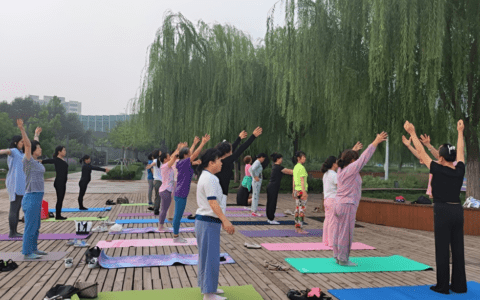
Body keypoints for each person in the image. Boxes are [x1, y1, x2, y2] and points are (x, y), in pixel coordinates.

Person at [404, 120, 467, 294]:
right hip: (457, 210)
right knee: (458, 248)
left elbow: (422, 153)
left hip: (442, 211)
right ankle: (459, 286)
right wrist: (460, 132)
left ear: (440, 157)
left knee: (442, 249)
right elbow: (460, 151)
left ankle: (442, 286)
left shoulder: (437, 169)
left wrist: (413, 133)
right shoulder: (459, 169)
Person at [333, 132, 387, 266]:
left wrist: (353, 150)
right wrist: (375, 142)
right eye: (354, 159)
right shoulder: (351, 169)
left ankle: (338, 257)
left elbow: (345, 159)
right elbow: (364, 158)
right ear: (352, 161)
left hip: (339, 204)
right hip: (347, 205)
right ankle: (343, 260)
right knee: (346, 233)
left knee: (339, 232)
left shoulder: (341, 169)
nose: (357, 162)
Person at [195, 148, 235, 300]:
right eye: (219, 160)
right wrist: (225, 220)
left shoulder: (207, 176)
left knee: (206, 256)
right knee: (210, 257)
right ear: (211, 163)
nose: (221, 163)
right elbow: (212, 202)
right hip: (207, 221)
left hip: (206, 221)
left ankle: (207, 288)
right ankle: (208, 294)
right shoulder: (210, 178)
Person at [0, 127, 41, 238]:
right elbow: (6, 151)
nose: (23, 143)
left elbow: (32, 145)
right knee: (14, 207)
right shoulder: (13, 151)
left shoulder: (21, 153)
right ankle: (12, 232)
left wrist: (36, 134)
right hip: (15, 183)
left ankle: (14, 231)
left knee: (18, 207)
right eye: (21, 142)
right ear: (15, 142)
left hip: (21, 183)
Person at [17, 119, 47, 259]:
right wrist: (22, 129)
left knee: (36, 225)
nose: (40, 149)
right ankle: (27, 252)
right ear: (33, 151)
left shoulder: (35, 161)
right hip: (31, 197)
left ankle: (34, 248)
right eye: (39, 148)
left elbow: (33, 144)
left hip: (38, 196)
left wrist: (36, 135)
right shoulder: (27, 161)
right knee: (30, 226)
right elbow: (28, 145)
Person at [321, 142, 362, 246]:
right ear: (333, 164)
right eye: (336, 162)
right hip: (333, 199)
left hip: (326, 199)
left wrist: (353, 151)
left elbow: (345, 161)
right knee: (332, 222)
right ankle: (331, 242)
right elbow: (341, 184)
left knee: (327, 220)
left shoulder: (326, 174)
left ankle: (326, 241)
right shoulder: (333, 175)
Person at [215, 127, 263, 213]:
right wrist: (253, 136)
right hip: (220, 194)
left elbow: (232, 148)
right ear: (227, 152)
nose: (231, 151)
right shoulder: (227, 161)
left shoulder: (219, 159)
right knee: (218, 216)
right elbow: (241, 149)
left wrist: (239, 138)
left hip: (216, 192)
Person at [173, 134, 210, 242]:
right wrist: (202, 143)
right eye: (188, 153)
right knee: (178, 216)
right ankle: (176, 237)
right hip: (180, 194)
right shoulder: (184, 162)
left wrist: (194, 144)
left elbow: (191, 156)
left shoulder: (182, 162)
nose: (191, 154)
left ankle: (176, 235)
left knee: (178, 215)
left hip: (181, 193)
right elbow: (194, 154)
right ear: (185, 155)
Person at [158, 143, 186, 232]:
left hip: (166, 190)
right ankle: (160, 227)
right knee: (164, 210)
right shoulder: (166, 165)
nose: (170, 157)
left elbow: (173, 157)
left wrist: (178, 148)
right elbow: (174, 157)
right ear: (165, 159)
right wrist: (180, 150)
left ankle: (161, 226)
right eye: (168, 156)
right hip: (165, 190)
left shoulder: (165, 165)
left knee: (164, 209)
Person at [41, 146, 69, 220]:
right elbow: (46, 161)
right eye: (64, 150)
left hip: (63, 182)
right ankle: (58, 216)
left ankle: (59, 214)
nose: (65, 152)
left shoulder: (62, 160)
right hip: (59, 182)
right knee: (59, 199)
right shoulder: (56, 159)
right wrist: (38, 161)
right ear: (59, 152)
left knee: (61, 199)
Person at [266, 153, 293, 224]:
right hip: (273, 187)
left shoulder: (275, 166)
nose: (282, 160)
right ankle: (271, 219)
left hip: (271, 187)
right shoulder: (278, 167)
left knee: (270, 202)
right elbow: (290, 172)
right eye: (281, 158)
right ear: (278, 159)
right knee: (272, 203)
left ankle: (269, 218)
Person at [292, 151, 309, 234]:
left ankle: (297, 227)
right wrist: (304, 192)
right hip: (301, 191)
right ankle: (300, 229)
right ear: (298, 158)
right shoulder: (301, 168)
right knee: (301, 211)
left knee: (297, 209)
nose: (304, 159)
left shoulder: (295, 167)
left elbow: (294, 180)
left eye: (305, 157)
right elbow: (302, 180)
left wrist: (293, 190)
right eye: (303, 157)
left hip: (296, 190)